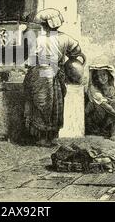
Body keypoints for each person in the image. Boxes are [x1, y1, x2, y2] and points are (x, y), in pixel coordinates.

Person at [23, 8, 83, 147]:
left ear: (43, 24)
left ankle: (42, 137)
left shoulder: (36, 38)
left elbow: (28, 58)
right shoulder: (65, 38)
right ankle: (49, 137)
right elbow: (77, 52)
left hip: (39, 73)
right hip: (54, 73)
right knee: (53, 104)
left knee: (40, 104)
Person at [85, 65, 115, 141]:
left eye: (104, 74)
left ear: (108, 75)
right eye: (99, 76)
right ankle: (114, 131)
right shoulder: (94, 89)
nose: (102, 77)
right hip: (99, 115)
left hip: (112, 113)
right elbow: (105, 106)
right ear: (96, 78)